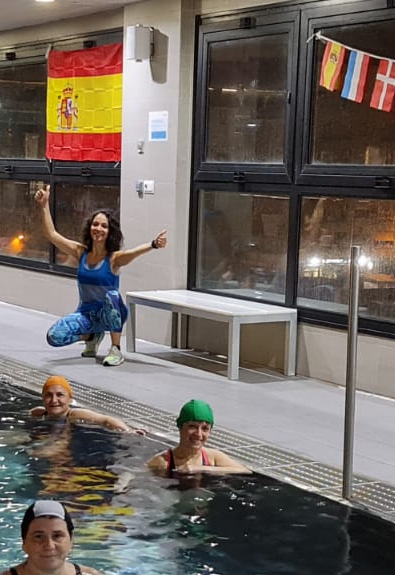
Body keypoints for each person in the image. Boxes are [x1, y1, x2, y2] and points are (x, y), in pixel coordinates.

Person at [34, 185, 166, 367]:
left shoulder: (114, 259)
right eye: (95, 224)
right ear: (90, 227)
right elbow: (52, 234)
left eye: (104, 226)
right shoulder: (80, 252)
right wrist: (44, 205)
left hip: (111, 313)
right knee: (54, 336)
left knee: (112, 296)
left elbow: (134, 252)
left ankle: (115, 348)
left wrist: (154, 244)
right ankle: (92, 336)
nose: (98, 228)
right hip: (86, 315)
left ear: (110, 232)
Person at [147, 399, 252, 477]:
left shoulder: (212, 457)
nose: (199, 434)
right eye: (192, 427)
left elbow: (245, 471)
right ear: (180, 427)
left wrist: (202, 469)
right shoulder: (162, 462)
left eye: (205, 428)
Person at [29, 375, 139, 433]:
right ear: (42, 398)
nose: (54, 400)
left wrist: (129, 431)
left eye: (60, 395)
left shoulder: (75, 414)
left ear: (70, 399)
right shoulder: (38, 412)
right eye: (48, 395)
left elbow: (106, 420)